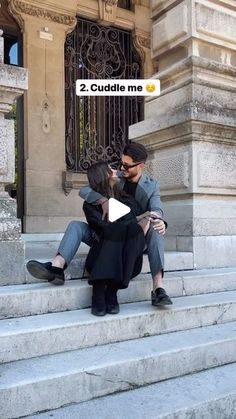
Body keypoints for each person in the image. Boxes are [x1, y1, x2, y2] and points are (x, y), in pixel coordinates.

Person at [26, 142, 172, 306]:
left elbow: (156, 208)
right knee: (76, 225)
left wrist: (159, 219)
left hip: (134, 234)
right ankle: (57, 268)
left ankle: (158, 287)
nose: (122, 168)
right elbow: (85, 190)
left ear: (141, 166)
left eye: (127, 165)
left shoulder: (152, 185)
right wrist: (103, 201)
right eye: (121, 163)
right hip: (106, 231)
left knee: (157, 227)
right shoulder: (116, 176)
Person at [83, 161, 149, 316]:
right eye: (110, 169)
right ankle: (99, 290)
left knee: (134, 229)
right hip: (101, 256)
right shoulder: (91, 205)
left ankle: (112, 291)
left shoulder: (127, 198)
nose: (115, 171)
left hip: (127, 260)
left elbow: (134, 222)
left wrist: (142, 218)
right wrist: (135, 218)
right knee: (116, 229)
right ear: (102, 175)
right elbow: (104, 227)